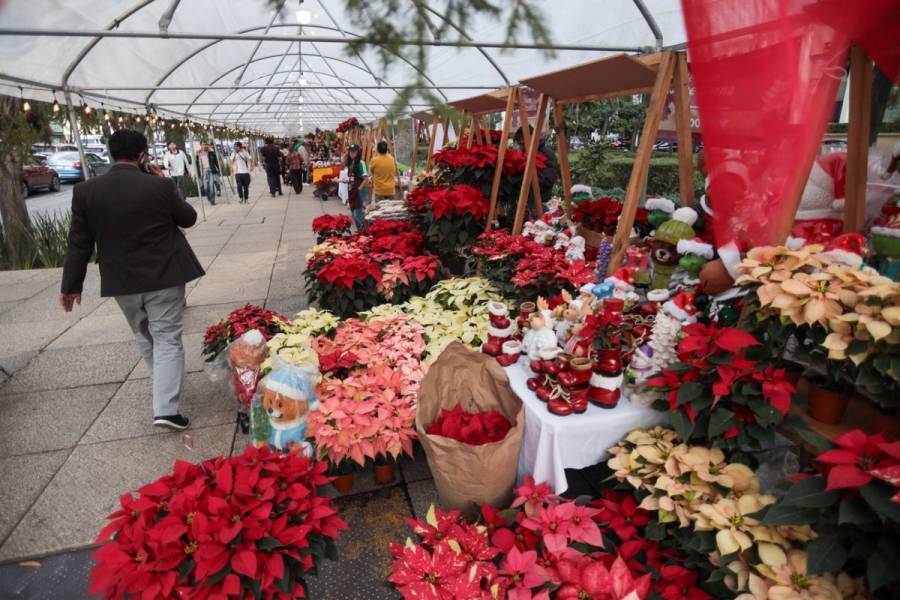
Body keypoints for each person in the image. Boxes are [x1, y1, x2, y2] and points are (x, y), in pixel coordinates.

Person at [60, 129, 204, 431]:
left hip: (121, 281)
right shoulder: (160, 186)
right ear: (142, 154)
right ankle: (166, 407)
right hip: (164, 273)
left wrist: (71, 285)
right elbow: (188, 218)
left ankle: (164, 392)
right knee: (166, 337)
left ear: (112, 154)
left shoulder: (86, 192)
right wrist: (162, 181)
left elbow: (79, 243)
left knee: (145, 335)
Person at [514, 125, 561, 207]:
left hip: (540, 203)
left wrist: (524, 180)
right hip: (524, 202)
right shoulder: (524, 153)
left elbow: (548, 180)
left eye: (522, 144)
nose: (521, 147)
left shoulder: (547, 154)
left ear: (532, 138)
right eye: (519, 144)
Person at [346, 144, 369, 231]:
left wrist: (359, 189)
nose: (351, 153)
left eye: (354, 152)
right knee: (353, 212)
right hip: (352, 190)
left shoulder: (361, 163)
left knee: (357, 213)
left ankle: (362, 231)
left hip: (360, 191)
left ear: (358, 152)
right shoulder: (351, 162)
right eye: (350, 151)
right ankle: (360, 230)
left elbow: (366, 178)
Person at [196, 142, 220, 206]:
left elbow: (216, 162)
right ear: (200, 145)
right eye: (202, 145)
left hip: (211, 170)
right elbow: (198, 164)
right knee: (206, 188)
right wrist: (200, 174)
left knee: (211, 186)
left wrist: (218, 170)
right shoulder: (199, 153)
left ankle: (212, 200)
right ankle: (209, 198)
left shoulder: (211, 153)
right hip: (204, 171)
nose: (204, 146)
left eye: (205, 144)